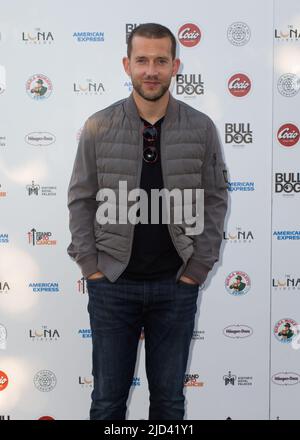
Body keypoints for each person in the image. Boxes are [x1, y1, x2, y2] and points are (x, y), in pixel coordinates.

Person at [67, 23, 228, 420]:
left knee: (169, 404)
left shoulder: (200, 127)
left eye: (160, 61)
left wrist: (198, 267)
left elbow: (214, 199)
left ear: (176, 65)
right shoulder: (98, 126)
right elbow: (81, 199)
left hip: (175, 286)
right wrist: (92, 268)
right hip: (112, 287)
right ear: (127, 65)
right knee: (106, 402)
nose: (150, 70)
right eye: (142, 60)